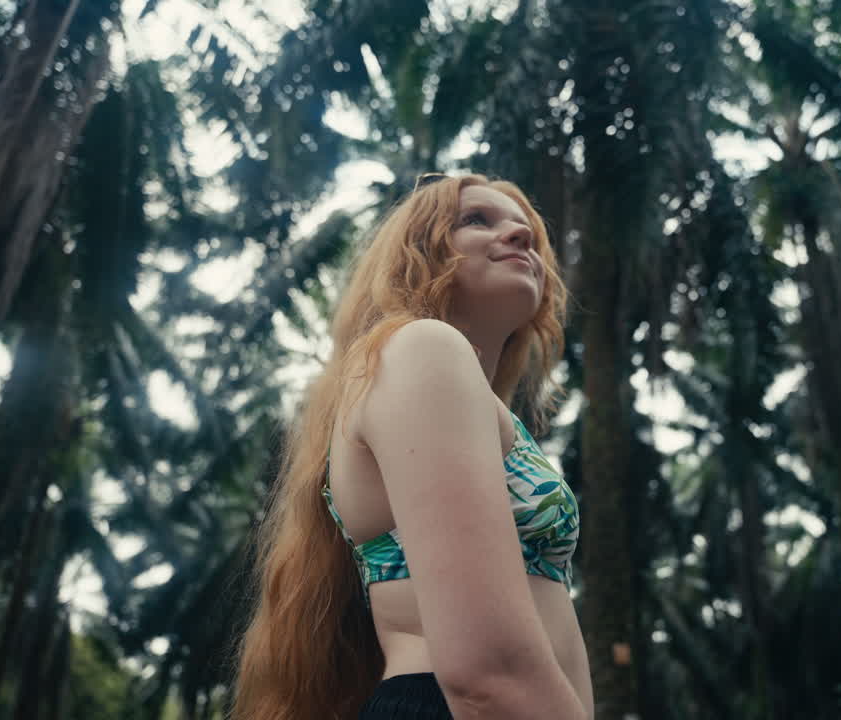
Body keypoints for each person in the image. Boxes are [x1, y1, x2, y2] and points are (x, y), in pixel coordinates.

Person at [232, 173, 592, 720]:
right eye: (477, 220)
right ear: (418, 254)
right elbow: (485, 674)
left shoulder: (455, 390)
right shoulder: (424, 347)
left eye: (529, 233)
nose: (521, 234)